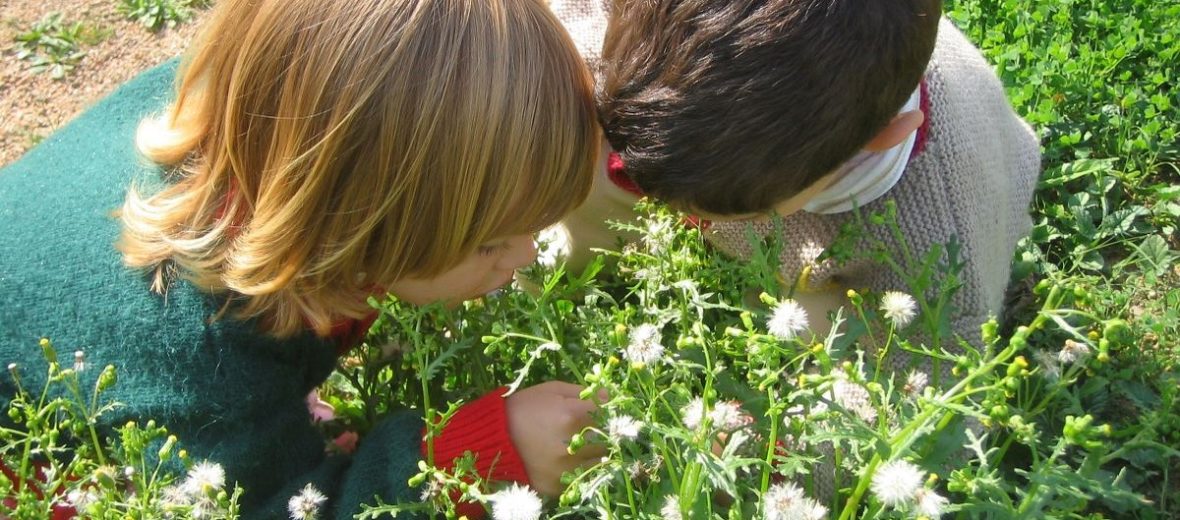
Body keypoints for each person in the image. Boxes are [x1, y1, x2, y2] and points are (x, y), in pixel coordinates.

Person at [0, 0, 602, 517]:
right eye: (490, 243)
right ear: (353, 222)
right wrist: (477, 456)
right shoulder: (203, 347)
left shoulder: (270, 109)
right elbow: (267, 509)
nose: (526, 253)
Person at [550, 0, 1040, 351]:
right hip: (759, 154)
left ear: (886, 135)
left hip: (851, 275)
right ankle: (550, 276)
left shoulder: (942, 240)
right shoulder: (606, 29)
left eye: (742, 212)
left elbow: (932, 393)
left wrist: (769, 453)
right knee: (574, 136)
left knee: (863, 339)